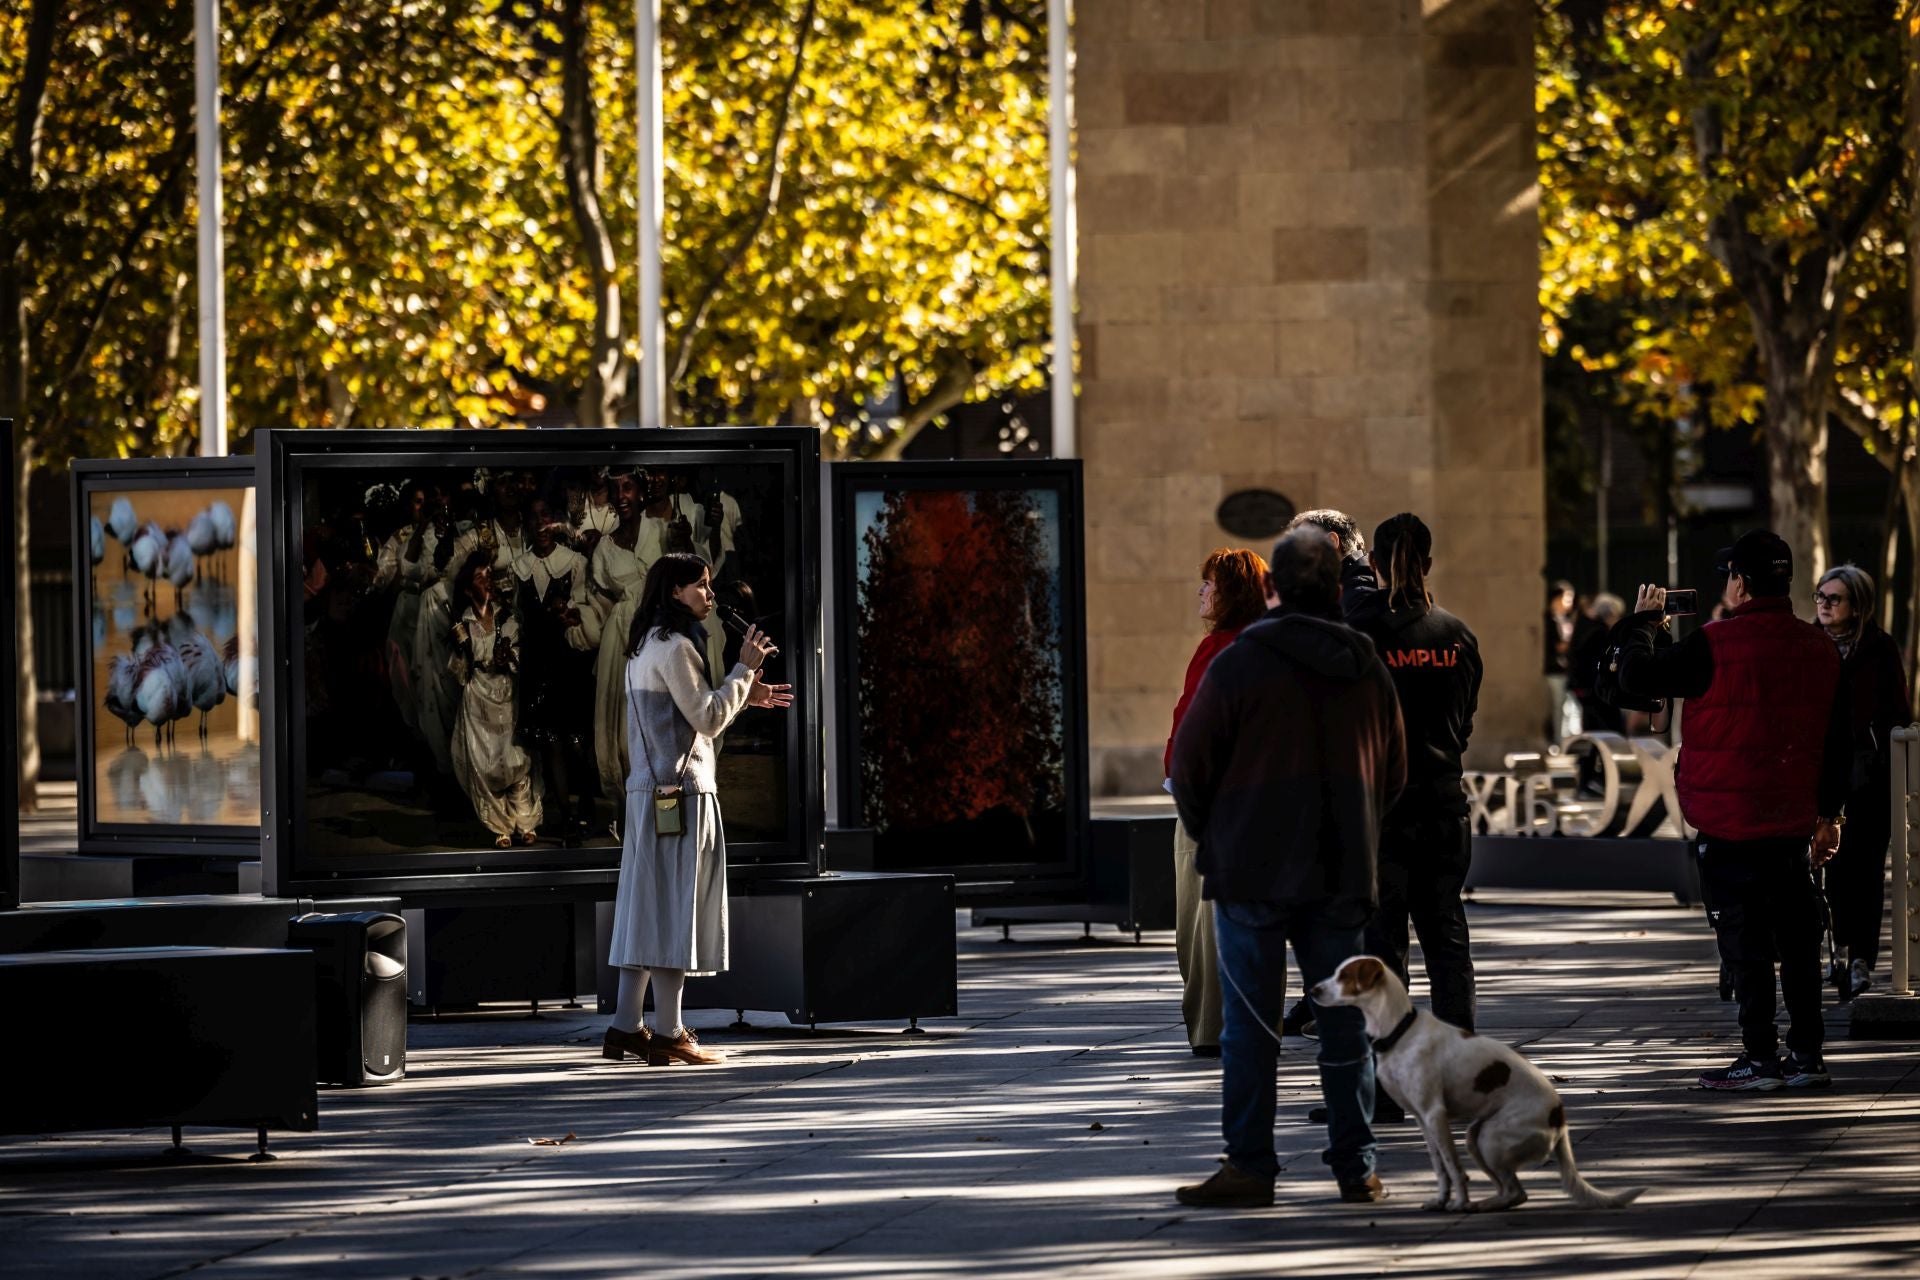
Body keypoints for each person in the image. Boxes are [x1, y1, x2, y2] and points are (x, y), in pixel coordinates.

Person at [1170, 528, 1407, 1207]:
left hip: (1251, 868)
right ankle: (1356, 1166)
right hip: (1340, 869)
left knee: (1250, 1025)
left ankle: (1250, 1165)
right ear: (1336, 589)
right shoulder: (1365, 664)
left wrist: (1214, 834)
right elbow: (1394, 772)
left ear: (1272, 588)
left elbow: (1189, 765)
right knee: (1344, 1024)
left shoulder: (1239, 661)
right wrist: (1359, 832)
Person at [1617, 530, 1852, 1091]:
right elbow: (1839, 740)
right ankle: (1807, 1055)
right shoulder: (1820, 646)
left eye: (1730, 575)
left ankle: (1760, 1056)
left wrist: (1644, 624)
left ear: (1741, 584)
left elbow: (1636, 677)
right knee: (1798, 939)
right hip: (1791, 820)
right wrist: (1830, 816)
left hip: (1729, 822)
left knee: (1745, 945)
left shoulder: (1712, 643)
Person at [602, 552, 793, 1067]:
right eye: (701, 585)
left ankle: (625, 1025)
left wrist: (743, 695)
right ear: (675, 592)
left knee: (647, 909)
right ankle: (670, 1032)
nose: (710, 594)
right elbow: (706, 719)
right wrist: (743, 670)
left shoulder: (645, 645)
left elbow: (680, 715)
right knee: (675, 911)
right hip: (683, 796)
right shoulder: (680, 647)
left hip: (648, 795)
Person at [1345, 513, 1482, 1120]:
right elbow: (1463, 724)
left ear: (1373, 564)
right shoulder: (1457, 636)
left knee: (1383, 955)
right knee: (1447, 945)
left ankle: (1384, 1093)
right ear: (1428, 563)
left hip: (1382, 815)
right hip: (1444, 809)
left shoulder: (1359, 634)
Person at [1164, 547, 1269, 1059]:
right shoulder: (1272, 647)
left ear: (1231, 593)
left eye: (1209, 584)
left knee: (1202, 925)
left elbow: (1191, 726)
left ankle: (1213, 1028)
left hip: (1209, 804)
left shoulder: (1219, 648)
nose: (1201, 592)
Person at [1814, 564, 1911, 995]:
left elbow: (1898, 711)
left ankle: (1860, 960)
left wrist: (1886, 757)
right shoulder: (1810, 643)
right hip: (1821, 770)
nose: (1824, 604)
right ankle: (1837, 950)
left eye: (1833, 598)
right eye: (1820, 596)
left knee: (1867, 869)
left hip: (1869, 774)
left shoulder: (1879, 647)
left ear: (1857, 605)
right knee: (1830, 867)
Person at [512, 492, 599, 845]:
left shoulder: (574, 563)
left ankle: (588, 805)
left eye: (545, 515)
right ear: (526, 524)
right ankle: (566, 816)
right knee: (551, 743)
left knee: (577, 741)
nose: (540, 523)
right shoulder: (520, 567)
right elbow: (518, 616)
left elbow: (587, 607)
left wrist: (572, 613)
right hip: (537, 662)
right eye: (533, 517)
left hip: (569, 661)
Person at [447, 550, 541, 848]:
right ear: (468, 589)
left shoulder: (506, 618)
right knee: (486, 761)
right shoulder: (463, 624)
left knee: (516, 758)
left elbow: (521, 654)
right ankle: (500, 825)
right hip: (479, 696)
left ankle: (526, 821)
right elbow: (459, 670)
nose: (487, 581)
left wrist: (508, 656)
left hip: (506, 692)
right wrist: (465, 655)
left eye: (488, 575)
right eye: (479, 577)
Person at [1546, 579, 1577, 742]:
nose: (1569, 603)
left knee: (1567, 706)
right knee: (1559, 706)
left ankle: (1565, 739)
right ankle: (1559, 740)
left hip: (1564, 670)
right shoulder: (1550, 619)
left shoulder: (1563, 619)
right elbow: (1558, 646)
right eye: (1567, 598)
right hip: (1555, 670)